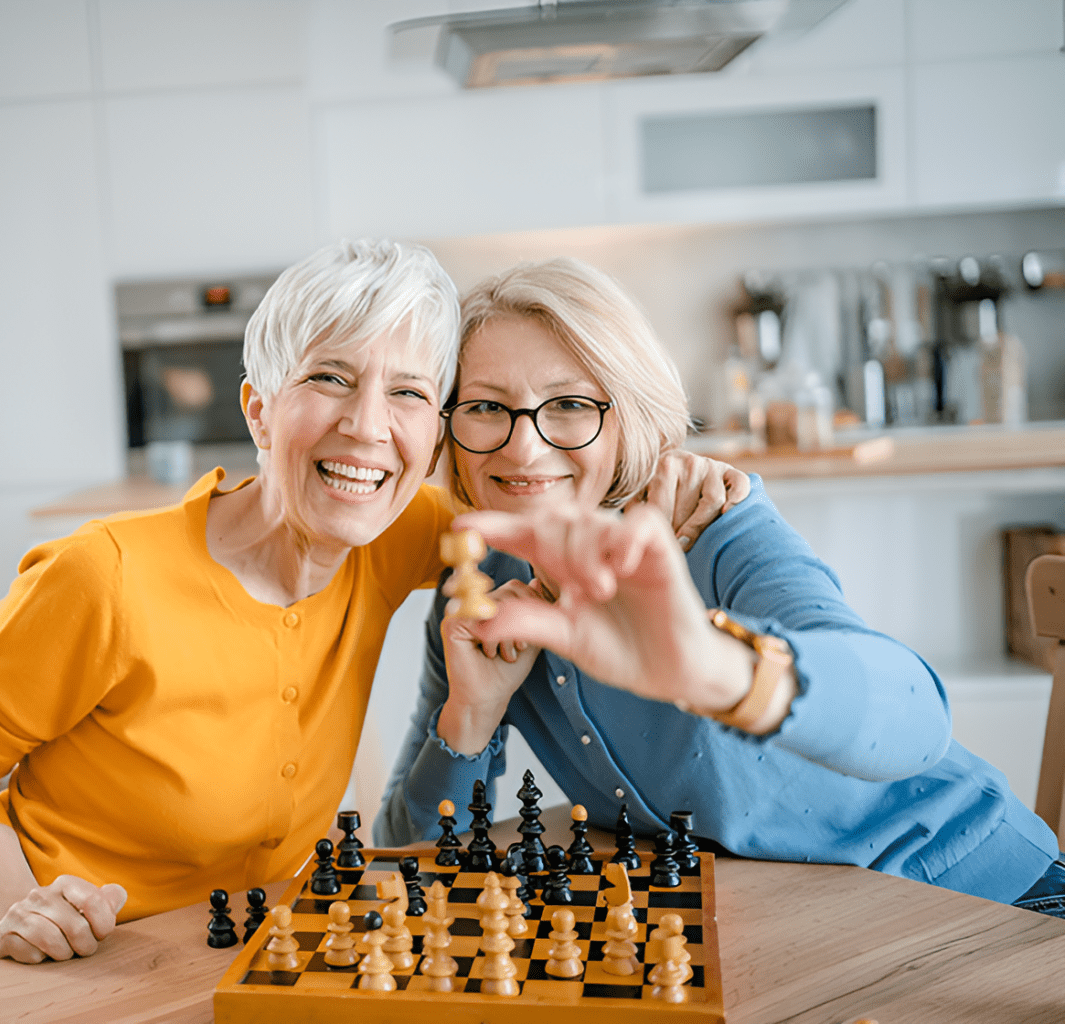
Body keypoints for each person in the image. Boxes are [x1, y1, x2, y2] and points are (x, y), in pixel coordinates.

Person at [0, 240, 745, 978]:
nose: (368, 428)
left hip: (228, 966)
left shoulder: (398, 531)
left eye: (410, 393)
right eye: (329, 379)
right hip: (16, 978)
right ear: (259, 410)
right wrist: (17, 910)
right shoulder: (104, 579)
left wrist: (678, 478)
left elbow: (550, 497)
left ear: (435, 433)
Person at [375, 257, 1065, 917]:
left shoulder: (704, 523)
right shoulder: (476, 591)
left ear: (628, 418)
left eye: (570, 405)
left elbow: (916, 719)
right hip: (794, 936)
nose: (523, 448)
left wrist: (715, 668)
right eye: (487, 408)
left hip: (987, 897)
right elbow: (405, 852)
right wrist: (470, 713)